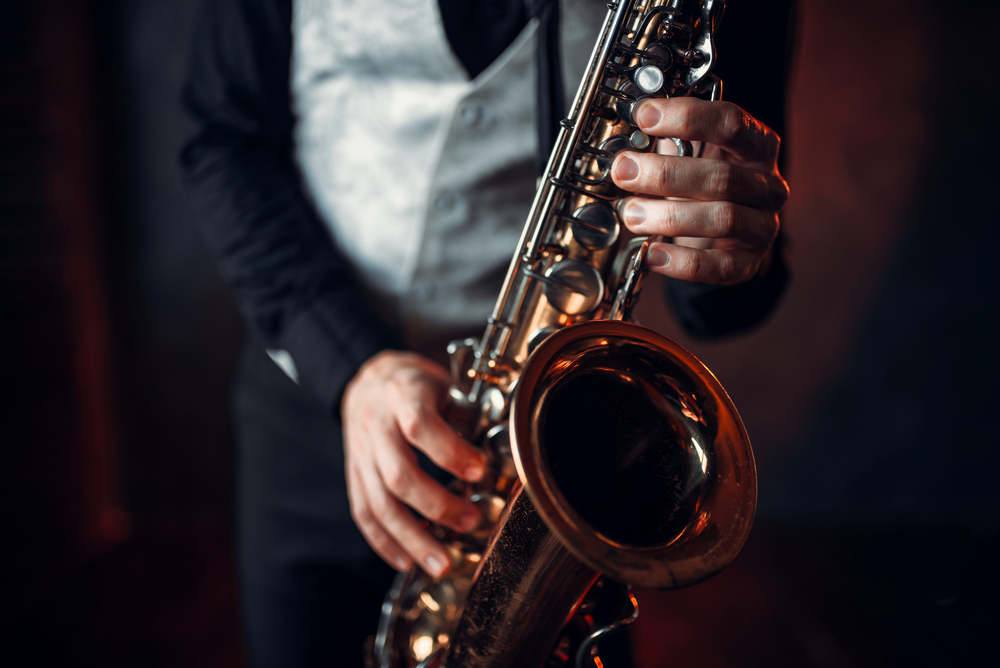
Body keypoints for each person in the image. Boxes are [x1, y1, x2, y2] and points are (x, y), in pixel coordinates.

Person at [180, 0, 794, 666]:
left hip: (561, 446)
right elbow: (223, 138)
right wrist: (352, 361)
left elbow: (726, 296)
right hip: (309, 419)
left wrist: (731, 244)